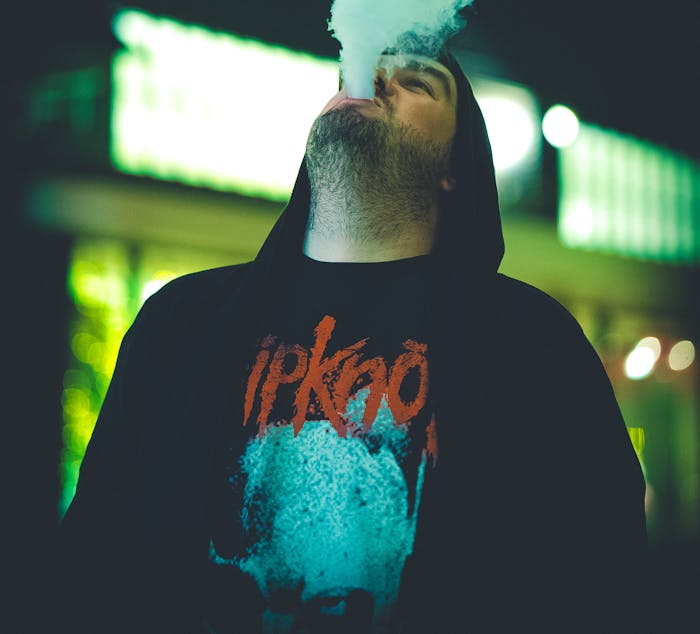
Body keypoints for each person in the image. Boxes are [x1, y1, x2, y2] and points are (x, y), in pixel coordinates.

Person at [48, 50, 648, 633]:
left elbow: (601, 577)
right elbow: (94, 559)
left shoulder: (531, 341)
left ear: (455, 168)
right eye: (356, 71)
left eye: (416, 82)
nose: (371, 81)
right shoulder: (181, 321)